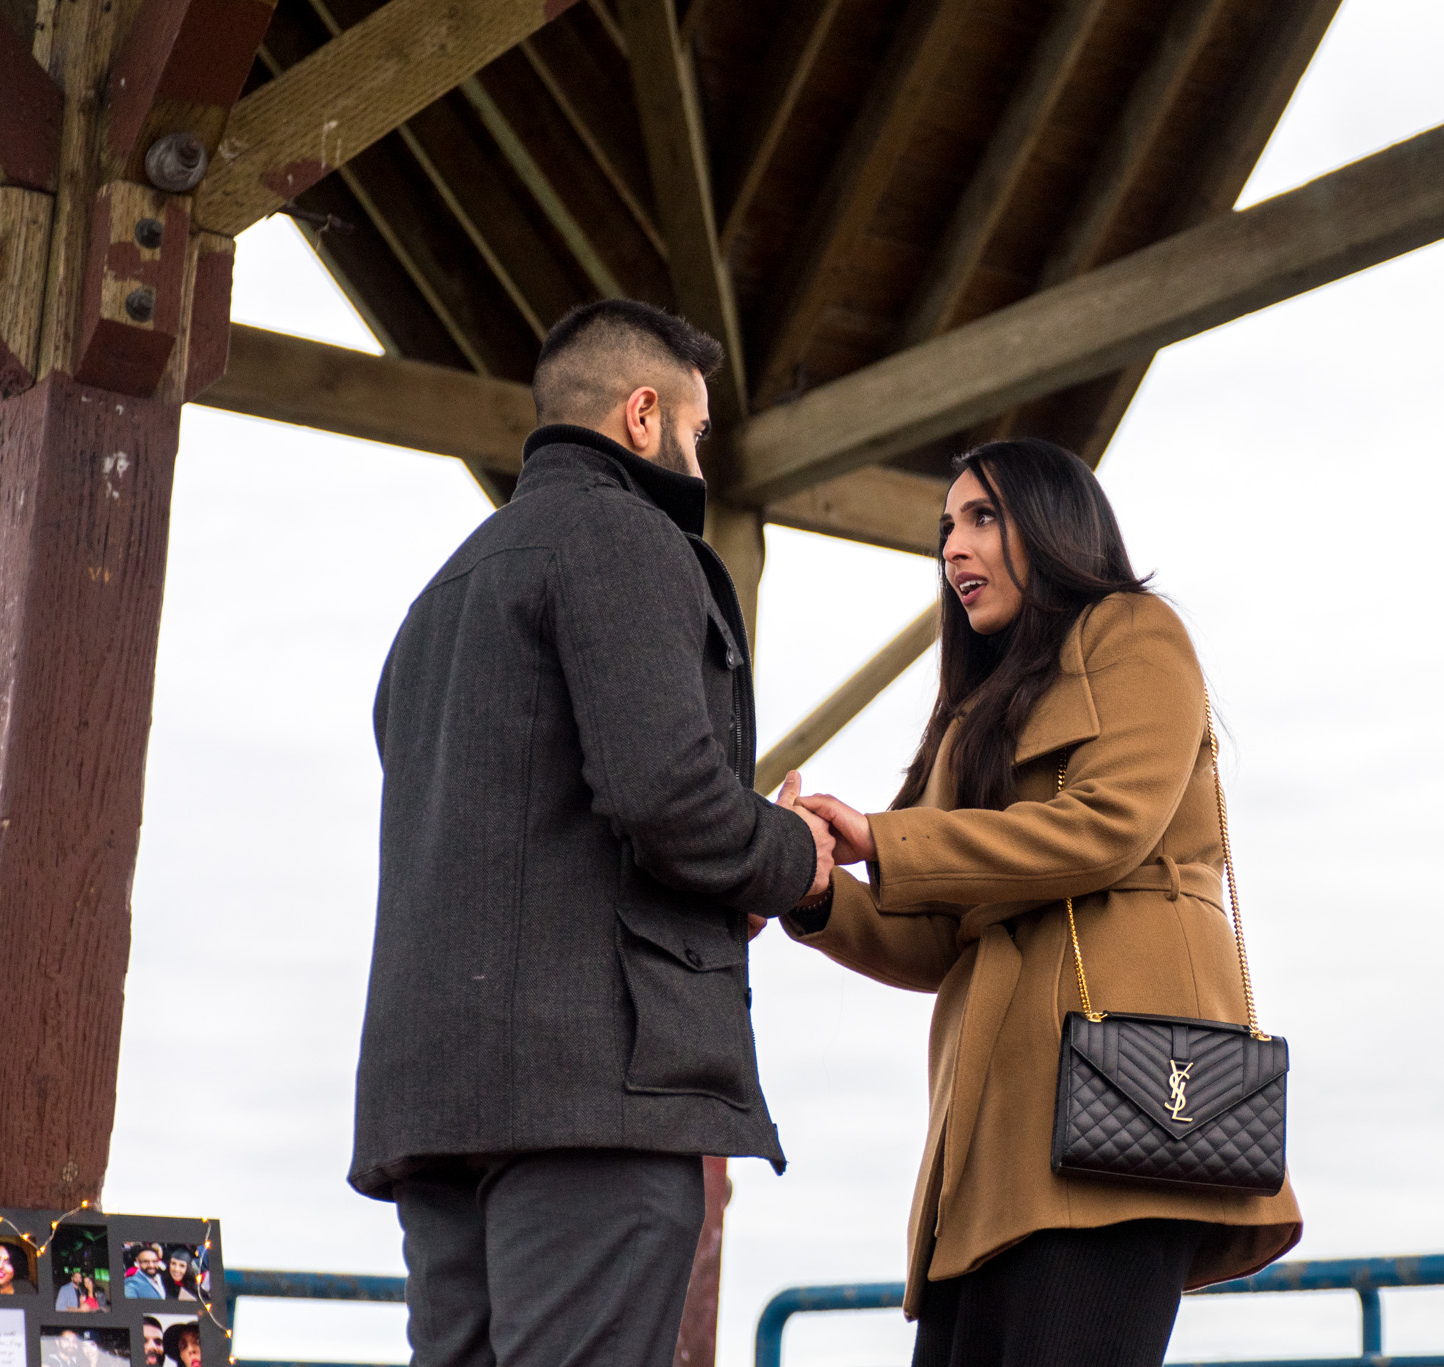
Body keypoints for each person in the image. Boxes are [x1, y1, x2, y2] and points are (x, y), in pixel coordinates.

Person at [351, 298, 835, 1367]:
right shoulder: (622, 535)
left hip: (433, 1102)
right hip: (592, 1097)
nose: (700, 467)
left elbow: (537, 840)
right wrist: (795, 853)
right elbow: (671, 799)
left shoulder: (440, 598)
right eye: (699, 435)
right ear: (644, 413)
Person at [787, 439, 1303, 1366]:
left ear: (1055, 525)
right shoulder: (972, 713)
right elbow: (941, 934)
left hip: (1126, 1113)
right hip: (989, 1140)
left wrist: (886, 836)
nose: (954, 547)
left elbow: (1108, 825)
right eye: (945, 527)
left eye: (983, 518)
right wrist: (821, 894)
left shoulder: (1135, 629)